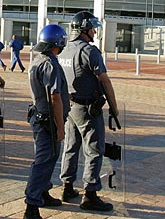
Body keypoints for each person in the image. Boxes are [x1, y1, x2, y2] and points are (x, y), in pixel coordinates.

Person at [59, 11, 117, 212]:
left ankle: (67, 187)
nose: (94, 31)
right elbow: (104, 80)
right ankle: (90, 194)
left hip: (70, 106)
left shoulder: (65, 50)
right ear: (84, 29)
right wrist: (114, 108)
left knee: (71, 146)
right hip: (87, 108)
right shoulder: (89, 51)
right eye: (92, 28)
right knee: (93, 149)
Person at [23, 24, 68, 219]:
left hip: (38, 116)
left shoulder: (36, 60)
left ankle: (43, 192)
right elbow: (54, 97)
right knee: (43, 161)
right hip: (47, 120)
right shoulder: (50, 64)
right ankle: (31, 205)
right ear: (58, 42)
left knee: (49, 158)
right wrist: (60, 126)